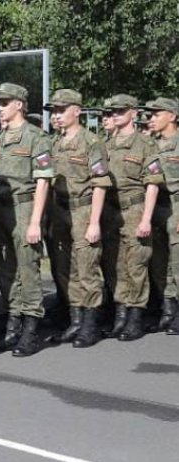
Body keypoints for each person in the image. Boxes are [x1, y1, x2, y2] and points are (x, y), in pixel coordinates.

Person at [0, 83, 53, 356]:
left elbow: (43, 181)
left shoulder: (36, 138)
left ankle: (31, 327)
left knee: (28, 268)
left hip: (24, 206)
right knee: (5, 268)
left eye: (5, 103)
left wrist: (36, 221)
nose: (0, 108)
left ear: (19, 104)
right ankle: (12, 322)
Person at [46, 89, 111, 348]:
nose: (57, 115)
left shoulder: (91, 143)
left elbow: (100, 184)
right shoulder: (55, 143)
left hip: (83, 210)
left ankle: (90, 324)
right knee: (65, 268)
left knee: (87, 267)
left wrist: (95, 221)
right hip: (60, 210)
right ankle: (75, 319)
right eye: (54, 111)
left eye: (62, 110)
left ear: (77, 111)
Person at [102, 94, 163, 341]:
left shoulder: (145, 145)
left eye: (120, 111)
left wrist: (146, 218)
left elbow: (153, 183)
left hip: (134, 208)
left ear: (133, 114)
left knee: (136, 263)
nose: (115, 115)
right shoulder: (104, 145)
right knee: (114, 263)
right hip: (110, 211)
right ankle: (120, 314)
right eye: (112, 112)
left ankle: (136, 316)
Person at [145, 97, 179, 335]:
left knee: (178, 262)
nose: (151, 119)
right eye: (151, 115)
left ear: (172, 116)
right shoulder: (150, 145)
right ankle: (167, 309)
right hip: (156, 206)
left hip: (176, 205)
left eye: (157, 114)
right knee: (158, 262)